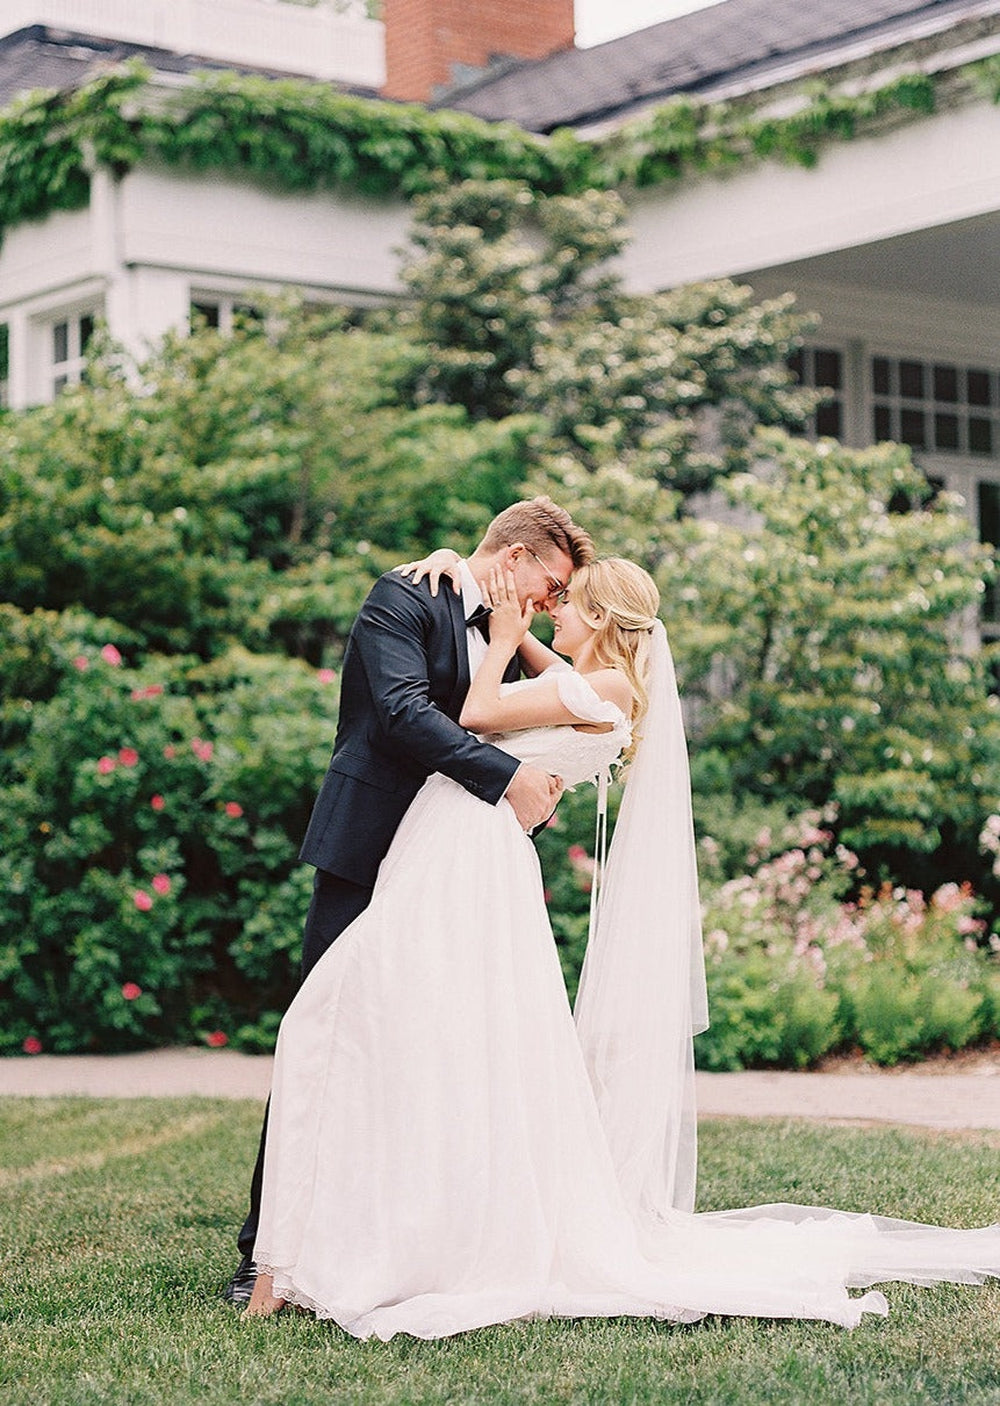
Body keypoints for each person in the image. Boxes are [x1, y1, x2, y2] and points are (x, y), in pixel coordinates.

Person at [245, 555, 1000, 1334]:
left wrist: (502, 638)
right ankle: (348, 1239)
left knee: (345, 1014)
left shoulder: (599, 689)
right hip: (459, 846)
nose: (554, 613)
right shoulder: (596, 685)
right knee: (386, 1024)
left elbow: (475, 713)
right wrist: (471, 574)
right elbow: (550, 675)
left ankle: (322, 1252)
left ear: (601, 619)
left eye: (569, 604)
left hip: (463, 851)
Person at [222, 496, 595, 1304]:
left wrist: (511, 634)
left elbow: (544, 699)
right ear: (517, 556)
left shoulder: (501, 624)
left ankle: (390, 1239)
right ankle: (267, 1251)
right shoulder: (403, 595)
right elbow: (400, 713)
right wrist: (509, 779)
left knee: (427, 1047)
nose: (553, 602)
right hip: (369, 843)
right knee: (324, 1032)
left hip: (451, 866)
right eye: (554, 584)